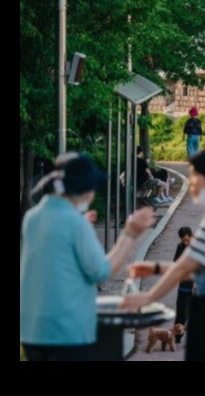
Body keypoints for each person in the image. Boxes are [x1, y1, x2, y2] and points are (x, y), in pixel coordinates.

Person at [121, 146, 205, 361]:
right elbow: (194, 267)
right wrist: (154, 268)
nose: (192, 182)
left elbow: (185, 268)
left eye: (195, 175)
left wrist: (148, 297)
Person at [20, 152, 155, 361]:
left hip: (32, 330)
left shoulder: (33, 217)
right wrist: (130, 233)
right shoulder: (76, 224)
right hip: (66, 332)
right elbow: (101, 271)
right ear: (83, 189)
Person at [173, 226, 195, 344]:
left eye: (188, 240)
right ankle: (176, 338)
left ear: (192, 236)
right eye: (183, 241)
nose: (186, 243)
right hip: (183, 285)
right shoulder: (180, 247)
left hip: (195, 287)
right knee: (180, 313)